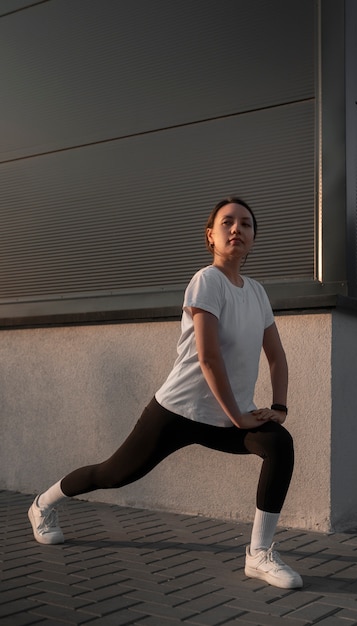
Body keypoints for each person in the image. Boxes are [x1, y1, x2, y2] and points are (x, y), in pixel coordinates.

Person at [28, 197, 302, 589]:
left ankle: (258, 554)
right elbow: (208, 358)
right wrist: (240, 417)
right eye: (227, 222)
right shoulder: (206, 280)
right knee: (113, 474)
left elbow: (276, 355)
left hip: (227, 416)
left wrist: (279, 406)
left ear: (254, 237)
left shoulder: (257, 293)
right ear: (211, 235)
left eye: (246, 223)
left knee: (279, 444)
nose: (237, 229)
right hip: (178, 410)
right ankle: (43, 505)